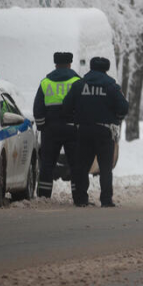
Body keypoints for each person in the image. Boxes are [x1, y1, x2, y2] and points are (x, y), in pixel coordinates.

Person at [62, 56, 129, 207]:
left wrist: (76, 118)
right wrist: (116, 118)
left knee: (82, 166)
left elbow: (66, 106)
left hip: (83, 130)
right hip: (104, 131)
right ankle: (106, 200)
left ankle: (80, 199)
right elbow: (124, 107)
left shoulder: (79, 85)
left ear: (91, 67)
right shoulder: (112, 87)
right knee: (105, 168)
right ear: (106, 69)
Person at [33, 52, 81, 198]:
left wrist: (42, 127)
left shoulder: (45, 82)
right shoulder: (77, 82)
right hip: (72, 129)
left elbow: (38, 108)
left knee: (47, 165)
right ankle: (78, 196)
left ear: (55, 64)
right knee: (75, 165)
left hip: (51, 130)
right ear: (70, 63)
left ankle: (43, 196)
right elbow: (83, 105)